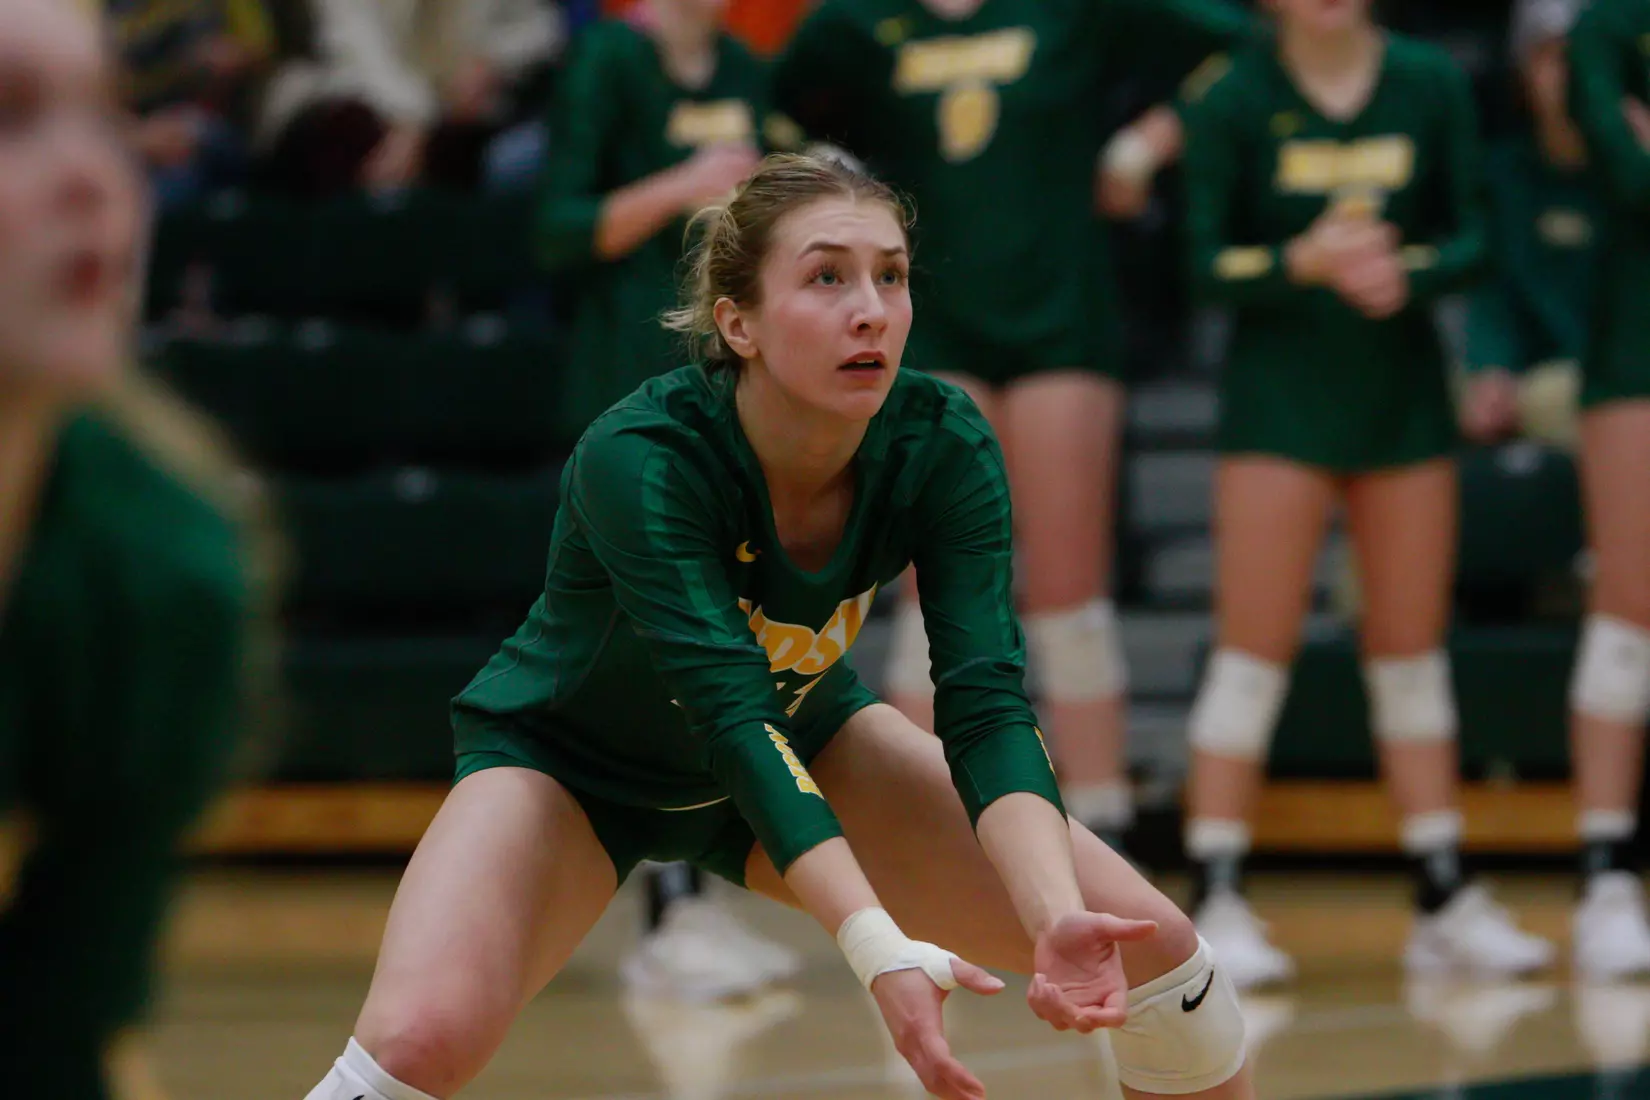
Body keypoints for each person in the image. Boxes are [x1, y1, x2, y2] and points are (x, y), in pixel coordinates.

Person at [301, 153, 1254, 1100]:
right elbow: (729, 712)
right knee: (417, 1042)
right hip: (569, 766)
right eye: (827, 276)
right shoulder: (642, 457)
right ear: (738, 323)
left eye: (891, 274)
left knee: (1163, 966)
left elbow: (987, 706)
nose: (871, 307)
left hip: (807, 732)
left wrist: (1052, 913)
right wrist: (878, 946)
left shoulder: (942, 440)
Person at [769, 0, 1254, 853]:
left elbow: (1241, 47)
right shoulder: (859, 21)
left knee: (1069, 596)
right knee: (936, 599)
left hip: (1061, 315)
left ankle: (1101, 833)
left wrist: (1143, 146)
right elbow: (765, 99)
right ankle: (920, 845)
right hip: (931, 318)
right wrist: (827, 179)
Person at [1177, 0, 1554, 989]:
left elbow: (1475, 234)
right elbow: (1200, 261)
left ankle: (1442, 888)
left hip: (1403, 404)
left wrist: (1412, 270)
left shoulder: (1429, 80)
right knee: (1252, 651)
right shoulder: (1230, 92)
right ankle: (1215, 891)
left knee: (1411, 651)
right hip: (1278, 407)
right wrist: (1293, 264)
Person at [0, 1, 263, 1096]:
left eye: (105, 116)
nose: (90, 175)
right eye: (10, 115)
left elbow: (55, 1050)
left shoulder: (158, 572)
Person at [534, 0, 796, 1000]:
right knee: (659, 648)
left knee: (728, 644)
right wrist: (685, 186)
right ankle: (666, 911)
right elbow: (559, 229)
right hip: (627, 398)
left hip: (727, 394)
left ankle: (697, 899)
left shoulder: (746, 66)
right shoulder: (607, 64)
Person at [1563, 0, 1650, 981]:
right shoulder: (1605, 25)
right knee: (1628, 606)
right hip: (1634, 342)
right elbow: (1627, 177)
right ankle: (1605, 873)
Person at [1459, 0, 1596, 450]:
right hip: (1535, 388)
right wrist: (1490, 369)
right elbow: (1490, 294)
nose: (1573, 74)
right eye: (1554, 56)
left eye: (1591, 56)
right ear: (1524, 72)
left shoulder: (1634, 172)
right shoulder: (1500, 178)